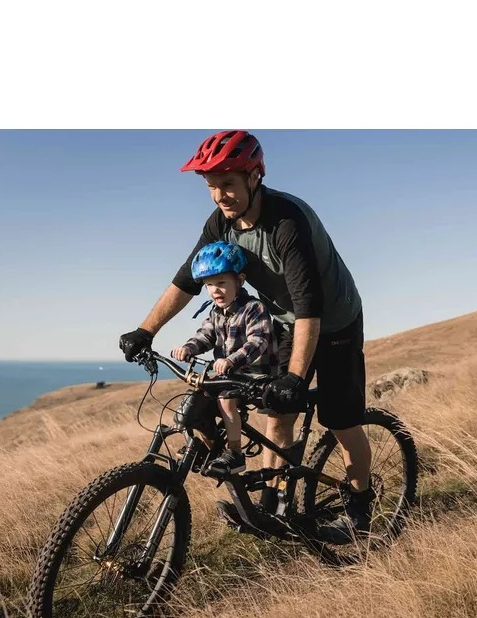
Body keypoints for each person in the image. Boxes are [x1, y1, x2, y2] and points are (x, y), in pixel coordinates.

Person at [120, 129, 373, 543]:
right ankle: (274, 509)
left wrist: (295, 378)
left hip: (333, 321)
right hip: (285, 321)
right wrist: (145, 330)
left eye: (228, 183)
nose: (220, 195)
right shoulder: (221, 223)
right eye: (211, 186)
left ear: (255, 177)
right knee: (278, 417)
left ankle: (361, 510)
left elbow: (308, 305)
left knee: (341, 420)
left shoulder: (287, 221)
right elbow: (187, 280)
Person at [171, 240, 274, 476]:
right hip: (229, 375)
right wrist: (188, 348)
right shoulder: (216, 312)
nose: (214, 290)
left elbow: (258, 341)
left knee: (226, 400)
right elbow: (205, 335)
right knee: (197, 398)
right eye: (209, 284)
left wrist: (232, 360)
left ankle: (235, 453)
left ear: (239, 280)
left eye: (221, 283)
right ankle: (210, 445)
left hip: (254, 376)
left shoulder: (253, 308)